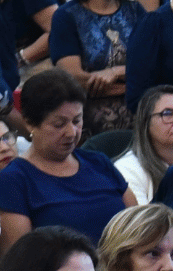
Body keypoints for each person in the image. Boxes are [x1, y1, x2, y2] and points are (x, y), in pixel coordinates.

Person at [0, 71, 134, 251]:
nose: (72, 133)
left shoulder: (99, 162)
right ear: (30, 123)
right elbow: (20, 257)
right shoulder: (14, 180)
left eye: (77, 121)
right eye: (59, 124)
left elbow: (138, 223)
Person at [50, 0, 146, 138]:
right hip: (89, 125)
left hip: (141, 121)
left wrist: (115, 72)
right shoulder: (67, 16)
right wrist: (134, 83)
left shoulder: (136, 11)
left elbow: (155, 65)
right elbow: (73, 78)